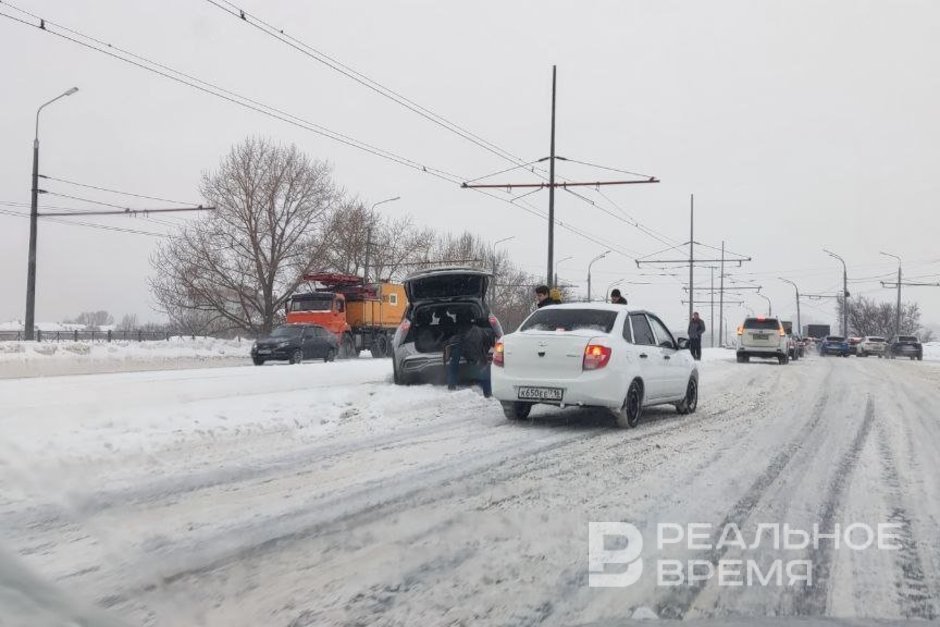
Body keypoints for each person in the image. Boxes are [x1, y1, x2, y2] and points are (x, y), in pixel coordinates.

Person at [444, 315, 494, 396]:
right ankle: (487, 392)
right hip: (466, 345)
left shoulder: (481, 333)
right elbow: (486, 347)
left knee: (456, 361)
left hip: (465, 345)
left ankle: (451, 385)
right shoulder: (485, 333)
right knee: (482, 366)